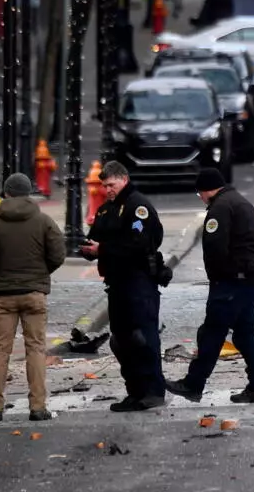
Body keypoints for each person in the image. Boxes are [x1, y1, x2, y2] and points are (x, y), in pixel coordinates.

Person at [167, 168, 254, 403]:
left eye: (200, 195)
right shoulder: (240, 202)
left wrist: (217, 280)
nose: (201, 199)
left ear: (206, 191)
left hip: (230, 283)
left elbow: (215, 250)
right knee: (245, 335)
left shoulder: (220, 209)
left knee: (211, 334)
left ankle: (193, 384)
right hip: (250, 280)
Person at [79, 161, 171, 412]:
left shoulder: (137, 207)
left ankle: (152, 391)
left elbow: (139, 244)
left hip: (138, 281)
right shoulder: (107, 210)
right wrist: (89, 249)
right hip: (117, 282)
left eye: (111, 184)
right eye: (104, 185)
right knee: (121, 340)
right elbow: (98, 237)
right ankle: (135, 391)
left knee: (142, 338)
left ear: (124, 180)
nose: (107, 189)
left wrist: (104, 249)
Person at [0, 172, 66, 423]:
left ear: (6, 193)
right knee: (35, 349)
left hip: (4, 294)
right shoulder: (43, 221)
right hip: (34, 293)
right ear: (29, 193)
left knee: (0, 350)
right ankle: (37, 406)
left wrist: (1, 272)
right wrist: (39, 273)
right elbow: (58, 253)